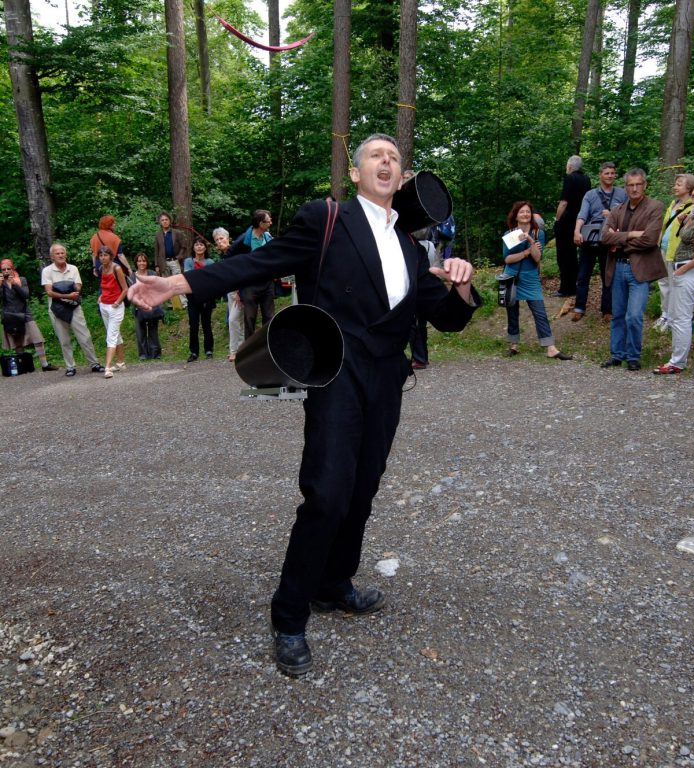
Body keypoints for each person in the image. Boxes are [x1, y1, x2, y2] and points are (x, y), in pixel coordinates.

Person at [129, 133, 479, 677]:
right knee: (327, 494)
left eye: (395, 158)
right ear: (356, 173)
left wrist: (461, 283)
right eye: (375, 157)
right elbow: (259, 263)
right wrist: (179, 283)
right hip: (336, 372)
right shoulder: (328, 219)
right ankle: (289, 613)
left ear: (403, 177)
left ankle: (333, 583)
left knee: (363, 489)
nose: (386, 163)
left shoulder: (413, 247)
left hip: (387, 380)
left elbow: (449, 319)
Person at [653, 176, 694, 374]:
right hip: (680, 269)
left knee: (681, 318)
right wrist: (684, 219)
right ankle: (676, 358)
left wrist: (683, 269)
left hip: (689, 272)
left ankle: (677, 362)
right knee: (674, 316)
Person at [600, 168, 665, 371]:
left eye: (638, 184)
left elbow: (650, 239)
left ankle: (633, 356)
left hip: (639, 269)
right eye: (630, 185)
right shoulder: (618, 209)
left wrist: (619, 239)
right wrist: (631, 235)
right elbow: (604, 237)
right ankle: (617, 355)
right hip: (617, 267)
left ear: (645, 185)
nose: (635, 188)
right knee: (617, 314)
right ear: (625, 187)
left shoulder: (655, 207)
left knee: (634, 315)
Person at [502, 201, 572, 360]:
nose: (525, 214)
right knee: (512, 312)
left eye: (528, 212)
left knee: (539, 311)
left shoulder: (537, 233)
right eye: (522, 212)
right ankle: (513, 345)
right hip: (511, 276)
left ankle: (551, 348)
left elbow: (538, 257)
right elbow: (507, 259)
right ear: (516, 215)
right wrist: (526, 252)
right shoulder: (509, 234)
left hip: (530, 276)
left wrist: (530, 241)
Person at [571, 162, 627, 322]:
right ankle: (579, 307)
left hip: (609, 240)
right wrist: (576, 231)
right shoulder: (590, 195)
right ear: (600, 175)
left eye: (612, 173)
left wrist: (611, 214)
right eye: (606, 173)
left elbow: (627, 217)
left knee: (607, 276)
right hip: (590, 238)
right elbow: (582, 215)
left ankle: (607, 310)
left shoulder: (622, 194)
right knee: (582, 275)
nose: (610, 176)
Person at [41, 243, 106, 377]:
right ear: (52, 256)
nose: (61, 255)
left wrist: (62, 289)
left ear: (66, 254)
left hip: (74, 307)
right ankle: (70, 366)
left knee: (85, 336)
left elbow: (78, 286)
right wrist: (67, 293)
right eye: (57, 253)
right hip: (56, 309)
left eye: (62, 253)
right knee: (64, 339)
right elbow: (49, 292)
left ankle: (94, 363)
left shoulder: (73, 269)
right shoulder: (47, 271)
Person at [655, 173, 694, 331]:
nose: (675, 186)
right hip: (664, 249)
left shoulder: (693, 208)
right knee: (663, 283)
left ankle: (673, 318)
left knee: (674, 285)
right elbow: (665, 226)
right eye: (676, 183)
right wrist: (657, 244)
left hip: (677, 253)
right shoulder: (673, 203)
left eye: (679, 184)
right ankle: (665, 314)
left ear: (688, 188)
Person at [0, 258, 57, 371]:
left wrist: (15, 285)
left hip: (25, 313)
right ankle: (22, 366)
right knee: (17, 342)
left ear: (12, 269)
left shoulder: (21, 280)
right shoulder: (1, 284)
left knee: (37, 338)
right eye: (3, 269)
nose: (6, 271)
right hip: (10, 315)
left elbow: (26, 295)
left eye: (8, 268)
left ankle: (45, 364)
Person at [230, 209, 275, 338]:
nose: (271, 222)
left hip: (267, 283)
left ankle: (267, 348)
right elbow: (230, 258)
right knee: (250, 318)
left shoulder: (268, 237)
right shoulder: (244, 240)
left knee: (269, 317)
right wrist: (237, 285)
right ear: (261, 223)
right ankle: (249, 352)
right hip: (250, 285)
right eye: (268, 220)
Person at [553, 156, 591, 297]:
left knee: (564, 255)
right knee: (574, 256)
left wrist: (557, 220)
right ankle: (575, 285)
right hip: (581, 221)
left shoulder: (570, 178)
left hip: (567, 222)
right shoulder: (586, 179)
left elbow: (564, 202)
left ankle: (565, 288)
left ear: (569, 166)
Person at [408, 227, 441, 369]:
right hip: (426, 286)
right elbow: (434, 263)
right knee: (421, 324)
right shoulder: (430, 245)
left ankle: (419, 357)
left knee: (414, 324)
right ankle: (422, 356)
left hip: (414, 286)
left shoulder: (410, 244)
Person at [96, 246, 129, 378]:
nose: (103, 258)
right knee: (116, 335)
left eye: (105, 255)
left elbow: (125, 289)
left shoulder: (117, 268)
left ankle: (108, 367)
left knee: (111, 336)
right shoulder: (100, 269)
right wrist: (101, 296)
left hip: (115, 307)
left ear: (111, 256)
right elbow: (103, 285)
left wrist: (118, 302)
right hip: (104, 305)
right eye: (100, 255)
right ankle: (121, 363)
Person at [213, 227, 243, 362]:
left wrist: (239, 291)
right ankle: (238, 349)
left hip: (240, 291)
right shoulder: (223, 256)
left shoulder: (235, 252)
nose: (219, 241)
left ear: (228, 238)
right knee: (236, 322)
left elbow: (242, 272)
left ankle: (236, 351)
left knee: (233, 320)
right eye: (217, 240)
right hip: (230, 292)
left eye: (221, 238)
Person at [183, 237, 216, 361]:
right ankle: (194, 352)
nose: (199, 247)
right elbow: (188, 277)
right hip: (193, 298)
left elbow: (211, 281)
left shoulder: (210, 262)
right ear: (193, 248)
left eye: (201, 244)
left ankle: (209, 350)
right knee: (193, 325)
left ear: (205, 247)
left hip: (207, 297)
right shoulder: (188, 261)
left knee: (206, 324)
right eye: (196, 244)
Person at [154, 211, 189, 308]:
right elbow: (156, 251)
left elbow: (184, 246)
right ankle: (171, 304)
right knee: (166, 283)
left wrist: (179, 257)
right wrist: (157, 265)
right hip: (163, 262)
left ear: (170, 221)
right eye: (162, 220)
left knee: (178, 282)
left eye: (166, 220)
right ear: (160, 222)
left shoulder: (176, 233)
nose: (164, 222)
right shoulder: (158, 235)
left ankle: (184, 303)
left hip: (174, 261)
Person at [133, 252, 163, 360]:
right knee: (140, 333)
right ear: (136, 262)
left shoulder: (153, 274)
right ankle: (143, 355)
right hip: (138, 307)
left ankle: (156, 354)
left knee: (153, 331)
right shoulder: (132, 276)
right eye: (139, 261)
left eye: (144, 261)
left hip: (152, 307)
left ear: (147, 262)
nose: (142, 263)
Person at [89, 215, 132, 280]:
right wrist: (129, 268)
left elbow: (94, 255)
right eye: (113, 223)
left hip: (99, 265)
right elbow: (120, 255)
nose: (115, 225)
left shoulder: (94, 237)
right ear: (109, 225)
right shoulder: (114, 238)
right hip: (112, 266)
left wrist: (94, 267)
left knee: (104, 284)